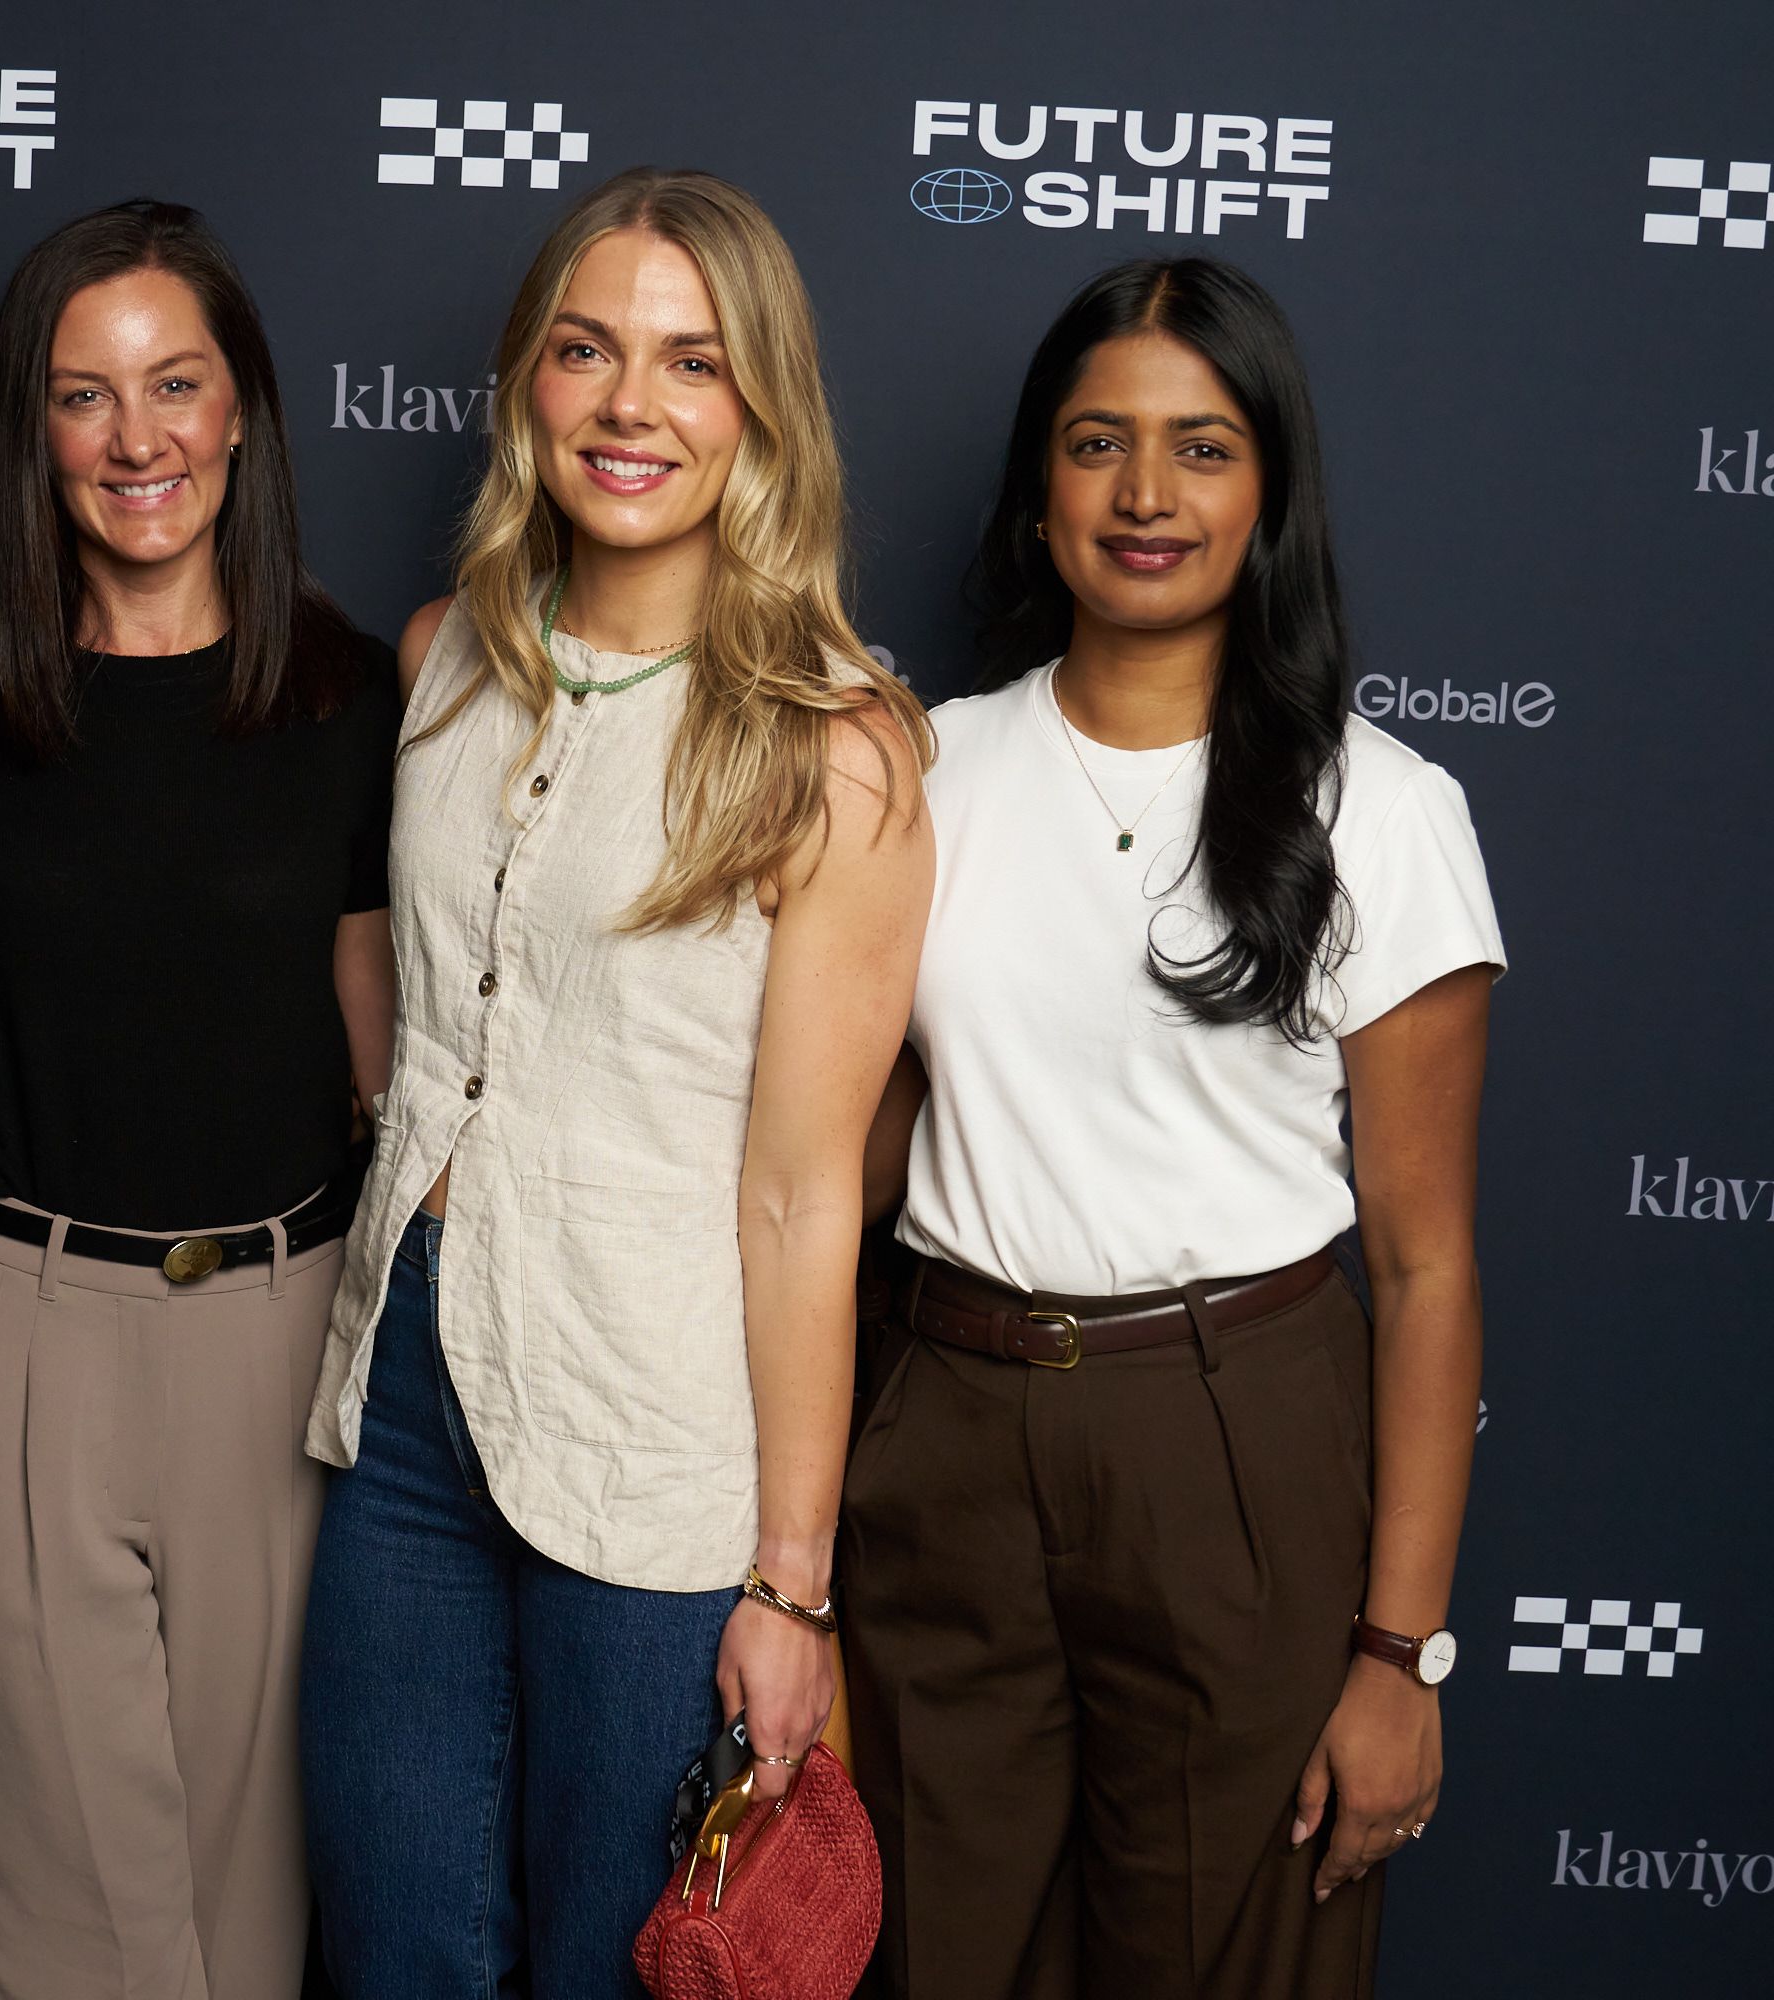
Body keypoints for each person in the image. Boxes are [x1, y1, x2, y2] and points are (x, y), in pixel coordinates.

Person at [299, 167, 933, 1999]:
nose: (630, 404)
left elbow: (807, 1197)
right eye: (587, 350)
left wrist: (791, 1582)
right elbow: (408, 996)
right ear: (529, 383)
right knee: (397, 1950)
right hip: (404, 1397)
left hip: (656, 1437)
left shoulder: (836, 751)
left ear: (761, 409)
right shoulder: (441, 663)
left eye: (691, 362)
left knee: (612, 1962)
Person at [840, 258, 1503, 1999]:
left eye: (1202, 448)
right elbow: (839, 1171)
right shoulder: (917, 772)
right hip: (944, 1428)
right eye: (1098, 443)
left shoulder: (1386, 810)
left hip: (1238, 1445)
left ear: (1269, 490)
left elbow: (1428, 1269)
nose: (1146, 493)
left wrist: (1401, 1656)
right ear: (1038, 489)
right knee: (929, 1954)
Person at [0, 200, 399, 2000]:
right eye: (84, 395)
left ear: (243, 408)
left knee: (251, 1919)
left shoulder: (350, 695)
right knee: (42, 1906)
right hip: (17, 1326)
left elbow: (375, 1038)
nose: (137, 438)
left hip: (281, 1332)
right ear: (30, 430)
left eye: (176, 384)